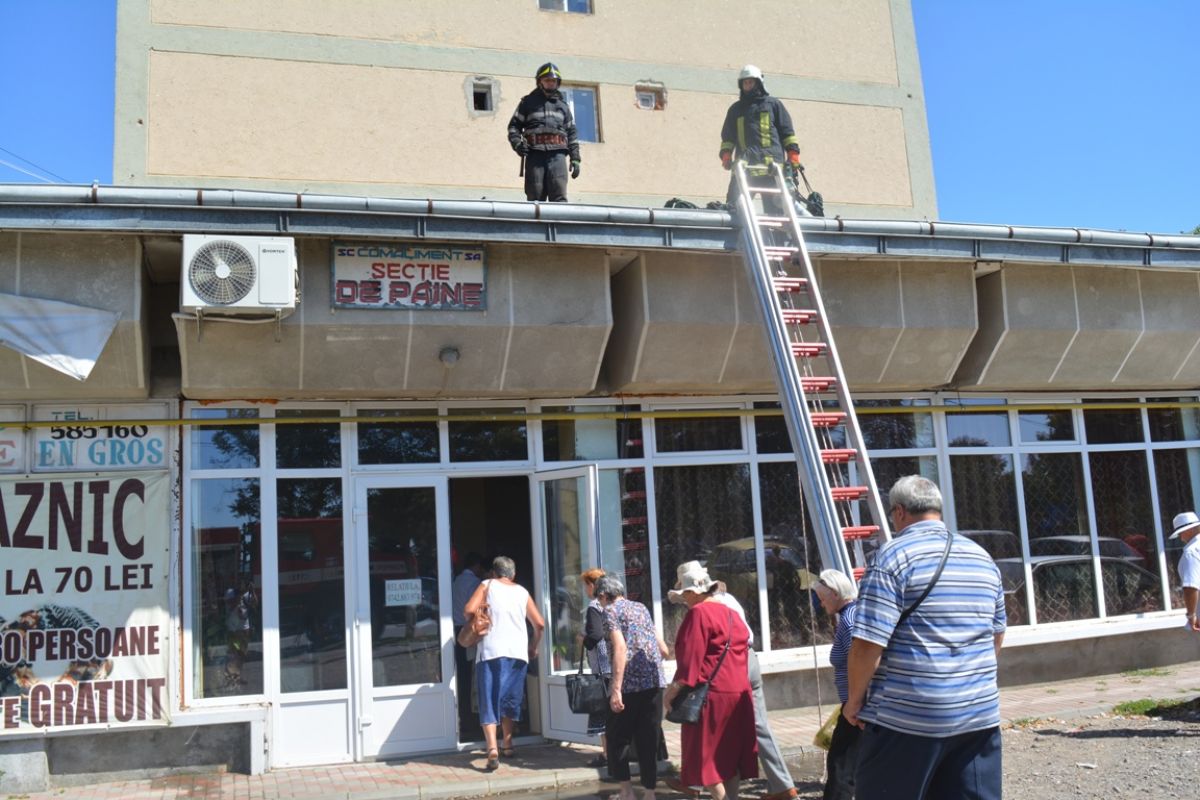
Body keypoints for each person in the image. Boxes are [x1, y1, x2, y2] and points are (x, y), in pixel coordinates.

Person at [845, 475, 1006, 800]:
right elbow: (996, 635)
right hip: (979, 715)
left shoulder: (892, 558)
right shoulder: (981, 557)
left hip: (909, 720)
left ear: (899, 512)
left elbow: (867, 645)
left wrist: (854, 700)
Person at [665, 561, 795, 799]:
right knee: (728, 758)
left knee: (704, 758)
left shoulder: (698, 613)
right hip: (739, 693)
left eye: (685, 595)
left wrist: (671, 692)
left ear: (693, 592)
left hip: (711, 697)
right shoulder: (732, 614)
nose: (684, 601)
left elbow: (691, 663)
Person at [463, 555, 545, 771]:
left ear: (493, 572)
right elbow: (539, 624)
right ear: (513, 574)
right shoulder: (522, 592)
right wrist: (533, 646)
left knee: (489, 699)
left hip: (490, 651)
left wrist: (480, 618)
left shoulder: (487, 585)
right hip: (517, 653)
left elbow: (469, 610)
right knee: (510, 699)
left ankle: (492, 748)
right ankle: (507, 744)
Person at [596, 575, 668, 800]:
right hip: (654, 682)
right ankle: (650, 793)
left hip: (628, 685)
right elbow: (663, 648)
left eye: (598, 598)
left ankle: (626, 792)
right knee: (648, 738)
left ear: (603, 595)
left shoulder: (610, 611)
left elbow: (619, 648)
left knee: (618, 738)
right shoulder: (640, 607)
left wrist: (616, 688)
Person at [719, 64, 801, 215]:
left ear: (758, 83)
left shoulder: (773, 105)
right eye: (745, 83)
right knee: (734, 210)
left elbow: (787, 133)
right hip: (745, 168)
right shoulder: (736, 109)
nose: (748, 85)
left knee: (776, 214)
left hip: (772, 170)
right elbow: (728, 137)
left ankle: (775, 231)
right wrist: (726, 155)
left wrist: (793, 155)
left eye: (751, 82)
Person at [813, 569, 860, 800]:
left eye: (822, 598)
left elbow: (859, 663)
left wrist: (856, 702)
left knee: (840, 765)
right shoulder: (852, 615)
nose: (821, 604)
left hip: (856, 705)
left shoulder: (849, 621)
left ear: (835, 593)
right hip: (855, 702)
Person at [507, 62, 581, 202]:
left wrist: (575, 158)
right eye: (547, 80)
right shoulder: (527, 103)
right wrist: (517, 145)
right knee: (535, 196)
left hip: (558, 155)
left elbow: (572, 133)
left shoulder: (563, 107)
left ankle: (558, 218)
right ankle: (536, 217)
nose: (550, 83)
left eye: (553, 80)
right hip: (535, 155)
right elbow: (514, 127)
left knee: (559, 196)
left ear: (557, 83)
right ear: (540, 82)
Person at [580, 568, 612, 768]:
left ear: (592, 586)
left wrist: (583, 640)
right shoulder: (611, 603)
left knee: (602, 712)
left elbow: (595, 635)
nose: (585, 590)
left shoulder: (594, 606)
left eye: (586, 585)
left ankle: (607, 754)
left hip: (601, 667)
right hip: (613, 664)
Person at [452, 552, 486, 729]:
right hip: (468, 630)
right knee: (470, 674)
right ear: (477, 566)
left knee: (460, 672)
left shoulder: (456, 580)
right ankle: (469, 715)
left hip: (456, 629)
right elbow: (474, 609)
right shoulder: (475, 583)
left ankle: (462, 712)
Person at [1170, 511, 1200, 631]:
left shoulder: (1191, 553)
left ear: (1187, 531)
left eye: (1180, 533)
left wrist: (1191, 615)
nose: (1181, 538)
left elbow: (1191, 587)